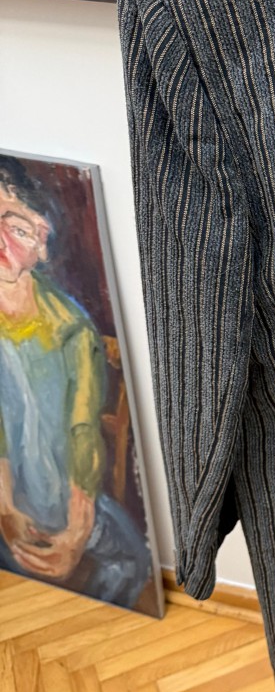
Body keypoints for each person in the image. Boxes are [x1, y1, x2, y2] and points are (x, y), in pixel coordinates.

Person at [0, 156, 151, 607]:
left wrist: (78, 527)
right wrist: (5, 508)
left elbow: (84, 431)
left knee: (132, 562)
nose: (1, 241)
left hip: (62, 493)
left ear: (42, 242)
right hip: (6, 493)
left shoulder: (71, 328)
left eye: (18, 229)